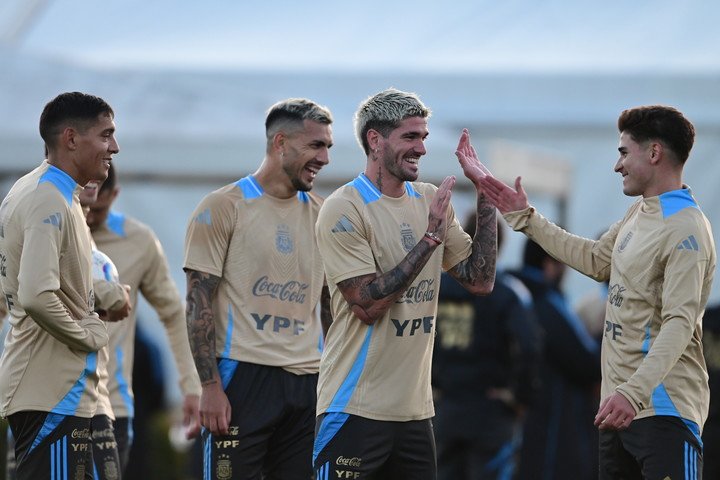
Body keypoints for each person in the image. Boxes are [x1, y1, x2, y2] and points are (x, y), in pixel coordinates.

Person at [479, 105, 716, 479]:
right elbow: (596, 259)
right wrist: (526, 216)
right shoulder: (639, 213)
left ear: (654, 153)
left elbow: (680, 323)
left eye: (623, 152)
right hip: (617, 410)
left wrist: (632, 393)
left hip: (661, 410)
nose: (616, 165)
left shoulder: (687, 228)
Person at [312, 88, 497, 479]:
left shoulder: (429, 199)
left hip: (415, 414)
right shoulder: (344, 208)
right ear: (375, 141)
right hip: (353, 409)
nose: (422, 149)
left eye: (424, 137)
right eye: (410, 137)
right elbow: (367, 306)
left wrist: (486, 195)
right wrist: (429, 239)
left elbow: (480, 281)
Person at [183, 98, 334, 480]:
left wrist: (334, 382)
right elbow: (197, 302)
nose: (325, 158)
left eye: (328, 147)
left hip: (307, 381)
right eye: (316, 145)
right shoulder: (222, 206)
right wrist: (210, 386)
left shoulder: (324, 215)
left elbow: (331, 308)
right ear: (280, 142)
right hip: (241, 377)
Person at [0, 92, 117, 480]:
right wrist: (86, 335)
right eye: (105, 135)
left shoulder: (50, 192)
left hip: (57, 390)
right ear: (71, 138)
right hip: (52, 391)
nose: (114, 147)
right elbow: (35, 294)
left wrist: (102, 296)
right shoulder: (47, 197)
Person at [85, 163, 202, 474]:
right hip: (45, 402)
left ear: (114, 195)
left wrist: (192, 386)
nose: (89, 218)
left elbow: (174, 313)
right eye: (83, 207)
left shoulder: (138, 240)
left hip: (110, 404)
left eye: (98, 209)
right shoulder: (43, 230)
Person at [432, 215, 541, 480]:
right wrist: (518, 397)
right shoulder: (508, 292)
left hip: (443, 407)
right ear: (498, 245)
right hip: (489, 410)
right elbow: (529, 346)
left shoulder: (436, 288)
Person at [509, 239, 601, 480]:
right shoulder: (547, 302)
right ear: (549, 263)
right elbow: (587, 361)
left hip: (510, 418)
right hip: (552, 426)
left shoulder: (510, 296)